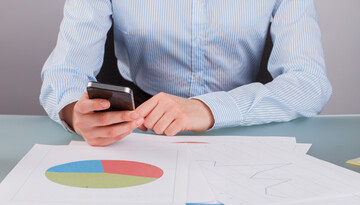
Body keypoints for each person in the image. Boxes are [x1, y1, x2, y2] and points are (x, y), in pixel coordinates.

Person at [40, 0, 332, 146]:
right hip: (142, 131)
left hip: (245, 125)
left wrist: (207, 108)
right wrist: (72, 113)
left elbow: (309, 82)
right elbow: (65, 71)